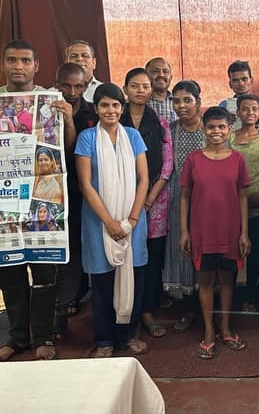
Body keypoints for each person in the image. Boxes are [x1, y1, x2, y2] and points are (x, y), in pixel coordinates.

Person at [0, 40, 58, 362]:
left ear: (36, 66)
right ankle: (17, 337)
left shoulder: (50, 102)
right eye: (12, 60)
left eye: (25, 61)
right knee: (10, 275)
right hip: (2, 203)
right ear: (2, 64)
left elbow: (65, 148)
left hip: (42, 200)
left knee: (44, 274)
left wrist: (68, 120)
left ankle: (43, 336)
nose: (19, 66)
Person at [75, 83, 150, 358]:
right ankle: (105, 339)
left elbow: (144, 179)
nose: (110, 110)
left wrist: (132, 219)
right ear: (96, 109)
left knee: (134, 278)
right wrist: (109, 222)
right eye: (104, 105)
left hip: (133, 221)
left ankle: (127, 334)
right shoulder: (86, 138)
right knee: (103, 283)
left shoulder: (133, 136)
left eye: (115, 105)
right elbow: (85, 184)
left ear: (122, 108)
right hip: (99, 222)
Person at [179, 106, 250, 360]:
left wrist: (244, 233)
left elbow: (243, 197)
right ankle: (209, 330)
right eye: (211, 127)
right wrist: (184, 231)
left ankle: (225, 328)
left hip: (230, 232)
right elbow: (184, 197)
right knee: (206, 281)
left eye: (221, 127)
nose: (216, 131)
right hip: (202, 232)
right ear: (204, 129)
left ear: (229, 129)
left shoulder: (238, 159)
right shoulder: (193, 160)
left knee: (228, 282)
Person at [120, 68, 173, 339]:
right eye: (134, 86)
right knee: (125, 255)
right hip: (121, 198)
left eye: (145, 86)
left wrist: (150, 197)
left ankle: (148, 311)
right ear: (125, 89)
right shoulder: (115, 119)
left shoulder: (160, 122)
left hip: (155, 201)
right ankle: (126, 311)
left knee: (151, 257)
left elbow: (167, 164)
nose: (140, 91)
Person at [53, 62, 97, 337]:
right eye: (67, 86)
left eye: (78, 86)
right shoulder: (46, 110)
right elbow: (63, 154)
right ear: (57, 84)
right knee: (64, 256)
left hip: (88, 194)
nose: (72, 91)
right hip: (56, 194)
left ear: (86, 85)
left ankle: (86, 308)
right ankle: (59, 313)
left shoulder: (95, 112)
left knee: (86, 252)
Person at [162, 80, 204, 332]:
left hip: (206, 198)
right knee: (183, 249)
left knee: (206, 250)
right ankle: (189, 309)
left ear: (198, 102)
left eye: (187, 100)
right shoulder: (170, 130)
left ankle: (208, 309)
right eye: (176, 101)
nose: (181, 106)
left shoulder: (211, 128)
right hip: (178, 198)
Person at [229, 93, 259, 311]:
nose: (250, 113)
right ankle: (229, 296)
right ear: (238, 113)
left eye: (254, 109)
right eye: (245, 109)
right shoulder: (229, 138)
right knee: (231, 253)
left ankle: (250, 296)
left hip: (258, 206)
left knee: (255, 253)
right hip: (231, 206)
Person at [219, 60, 259, 146]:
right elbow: (215, 138)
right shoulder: (224, 106)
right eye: (235, 80)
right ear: (230, 84)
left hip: (257, 150)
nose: (240, 83)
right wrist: (225, 125)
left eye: (244, 79)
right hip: (231, 151)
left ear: (251, 80)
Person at [145, 57, 176, 123]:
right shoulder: (136, 102)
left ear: (171, 78)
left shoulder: (178, 102)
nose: (161, 75)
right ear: (146, 76)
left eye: (165, 71)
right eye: (155, 71)